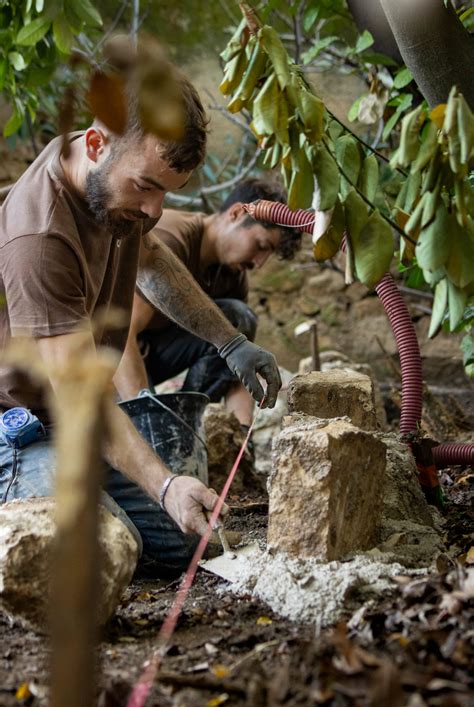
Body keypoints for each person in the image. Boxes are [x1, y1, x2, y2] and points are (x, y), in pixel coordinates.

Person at [0, 67, 281, 575]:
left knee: (186, 547)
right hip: (17, 426)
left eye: (167, 194)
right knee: (101, 554)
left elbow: (151, 260)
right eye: (146, 188)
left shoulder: (101, 176)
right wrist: (166, 483)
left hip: (70, 422)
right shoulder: (39, 236)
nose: (154, 210)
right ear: (96, 143)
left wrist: (230, 342)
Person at [113, 179, 302, 434]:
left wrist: (242, 430)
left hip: (151, 359)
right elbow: (120, 338)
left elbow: (235, 368)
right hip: (106, 363)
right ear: (236, 214)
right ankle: (167, 430)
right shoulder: (171, 237)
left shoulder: (233, 277)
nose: (259, 263)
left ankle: (184, 427)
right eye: (260, 246)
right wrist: (150, 423)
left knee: (236, 320)